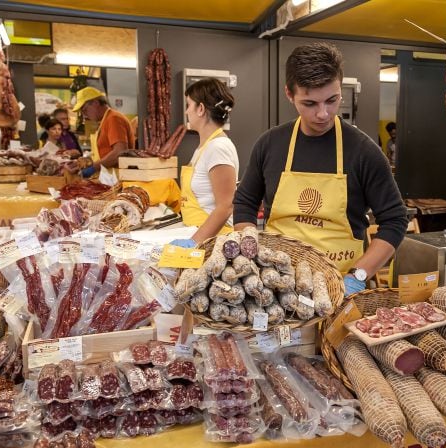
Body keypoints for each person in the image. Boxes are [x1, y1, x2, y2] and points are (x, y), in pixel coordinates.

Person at [233, 42, 409, 297]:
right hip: (277, 287)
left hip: (341, 285)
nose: (323, 114)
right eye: (310, 103)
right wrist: (249, 253)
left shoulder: (364, 151)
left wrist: (358, 275)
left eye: (332, 100)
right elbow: (245, 203)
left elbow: (394, 220)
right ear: (289, 94)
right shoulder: (270, 144)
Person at [169, 78, 238, 248]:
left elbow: (226, 206)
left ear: (200, 109)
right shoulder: (204, 147)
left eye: (188, 105)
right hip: (200, 234)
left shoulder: (218, 147)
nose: (186, 112)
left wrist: (194, 242)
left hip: (213, 242)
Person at [72, 87, 134, 177]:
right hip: (109, 176)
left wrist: (94, 168)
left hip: (118, 177)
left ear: (96, 103)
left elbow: (119, 152)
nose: (84, 115)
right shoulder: (105, 120)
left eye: (84, 110)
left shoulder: (113, 118)